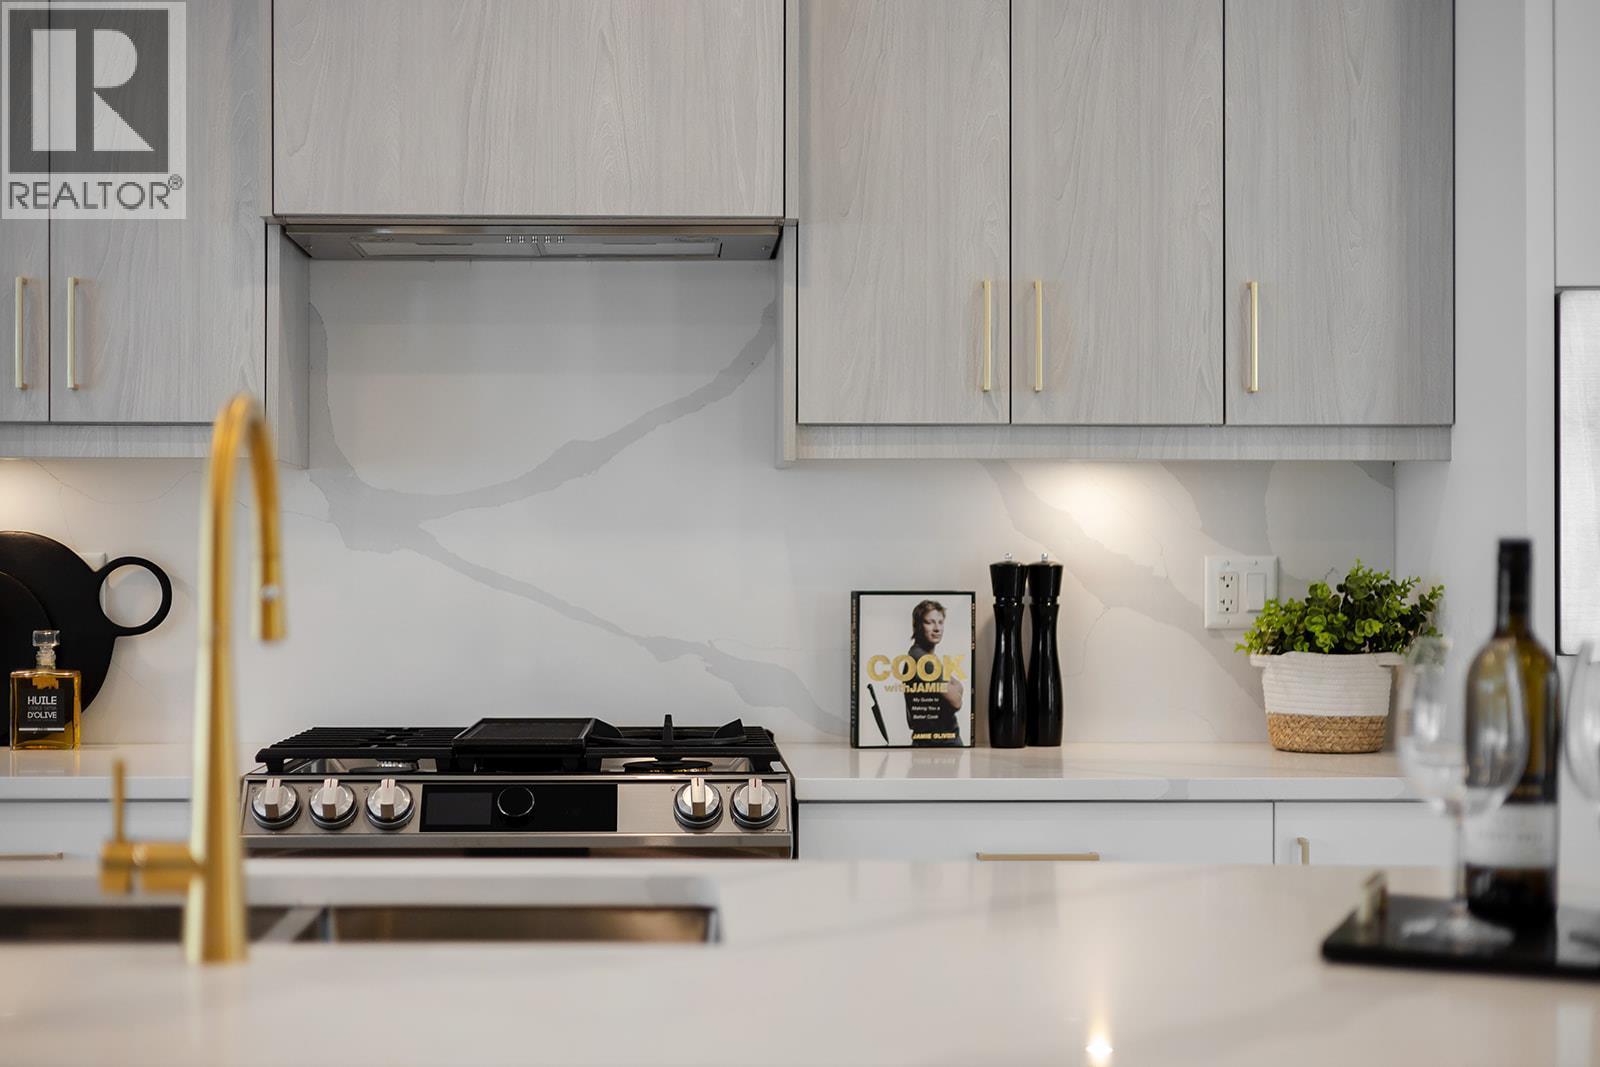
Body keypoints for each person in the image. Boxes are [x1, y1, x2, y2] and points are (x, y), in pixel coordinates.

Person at [904, 600, 964, 745]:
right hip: (938, 744)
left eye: (940, 622)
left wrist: (954, 688)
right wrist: (954, 688)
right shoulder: (923, 661)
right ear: (918, 626)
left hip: (937, 742)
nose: (937, 628)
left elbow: (959, 686)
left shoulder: (923, 656)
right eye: (930, 622)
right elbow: (956, 701)